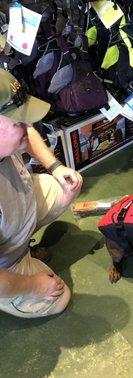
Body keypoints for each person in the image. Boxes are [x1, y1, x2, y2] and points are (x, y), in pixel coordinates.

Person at [0, 68, 83, 318]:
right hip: (5, 267)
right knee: (57, 298)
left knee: (63, 186)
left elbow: (28, 134)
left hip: (15, 206)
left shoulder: (9, 134)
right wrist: (36, 286)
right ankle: (14, 265)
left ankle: (21, 246)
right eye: (17, 122)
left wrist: (55, 167)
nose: (28, 126)